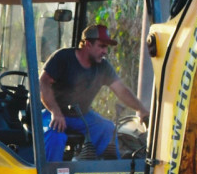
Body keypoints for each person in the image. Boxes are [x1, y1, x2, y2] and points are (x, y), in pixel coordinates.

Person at [39, 24, 150, 161]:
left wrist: (142, 110)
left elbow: (122, 90)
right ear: (87, 44)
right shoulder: (63, 57)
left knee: (108, 129)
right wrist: (55, 112)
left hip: (83, 116)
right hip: (53, 113)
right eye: (101, 46)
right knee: (55, 135)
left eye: (106, 47)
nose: (105, 51)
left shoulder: (103, 67)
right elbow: (43, 83)